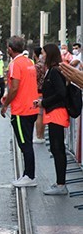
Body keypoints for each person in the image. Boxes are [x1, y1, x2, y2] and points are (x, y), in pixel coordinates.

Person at [0, 36, 40, 188]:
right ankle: (28, 174)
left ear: (10, 49)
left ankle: (29, 176)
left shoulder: (15, 64)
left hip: (21, 110)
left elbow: (15, 87)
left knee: (25, 145)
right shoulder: (29, 62)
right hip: (32, 107)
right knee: (27, 142)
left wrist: (5, 105)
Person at [36, 44, 70, 195]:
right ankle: (59, 183)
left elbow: (61, 93)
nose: (41, 55)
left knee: (58, 148)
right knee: (56, 148)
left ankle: (61, 184)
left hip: (57, 113)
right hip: (54, 112)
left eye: (43, 53)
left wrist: (44, 102)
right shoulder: (52, 70)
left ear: (49, 54)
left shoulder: (55, 71)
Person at [33, 47, 47, 144]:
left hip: (37, 91)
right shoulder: (45, 65)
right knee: (42, 114)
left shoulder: (37, 66)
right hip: (45, 92)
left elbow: (34, 79)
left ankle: (38, 135)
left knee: (39, 114)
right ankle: (41, 135)